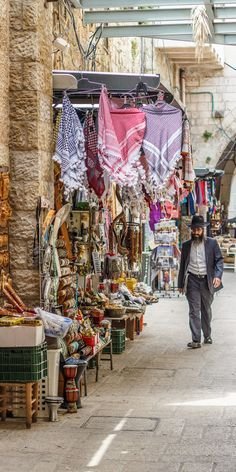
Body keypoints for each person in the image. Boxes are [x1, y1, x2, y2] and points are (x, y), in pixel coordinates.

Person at [178, 215, 224, 349]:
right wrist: (180, 284)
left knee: (206, 309)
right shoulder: (186, 246)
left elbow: (219, 261)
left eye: (199, 229)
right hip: (192, 280)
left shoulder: (212, 243)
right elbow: (183, 265)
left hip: (207, 281)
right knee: (194, 310)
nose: (196, 232)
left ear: (203, 229)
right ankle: (196, 339)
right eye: (194, 230)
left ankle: (207, 335)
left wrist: (217, 276)